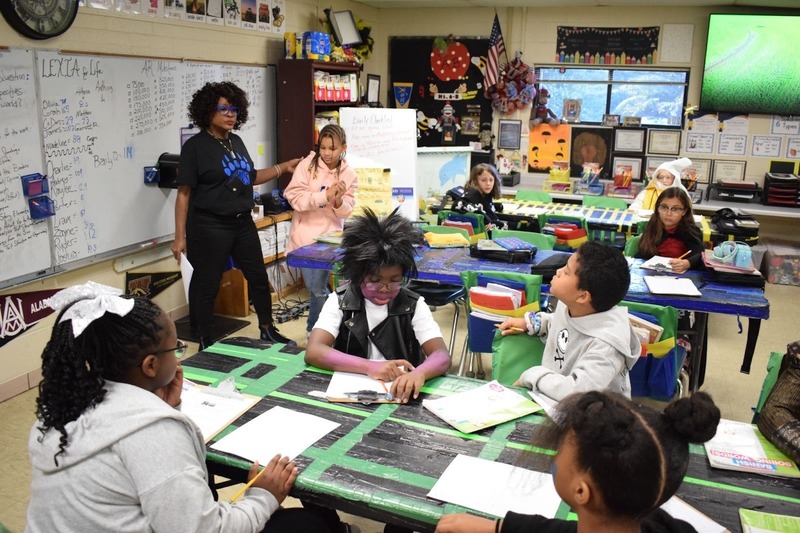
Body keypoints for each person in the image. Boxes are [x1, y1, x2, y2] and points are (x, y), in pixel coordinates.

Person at [26, 281, 330, 533]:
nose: (180, 357)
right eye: (176, 349)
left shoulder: (62, 405)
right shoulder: (153, 432)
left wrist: (166, 409)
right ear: (150, 365)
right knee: (307, 525)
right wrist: (263, 496)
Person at [304, 207, 451, 533]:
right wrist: (370, 367)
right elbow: (314, 351)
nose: (385, 289)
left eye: (394, 281)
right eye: (375, 281)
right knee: (307, 463)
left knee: (409, 480)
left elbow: (441, 356)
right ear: (358, 275)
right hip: (346, 405)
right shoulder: (339, 301)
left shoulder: (413, 304)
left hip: (398, 411)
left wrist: (419, 373)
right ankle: (330, 525)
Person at [435, 390, 721, 533]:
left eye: (562, 449)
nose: (555, 456)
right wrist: (498, 527)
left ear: (582, 492)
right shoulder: (662, 524)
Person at [171, 81, 300, 349]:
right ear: (208, 111)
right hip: (209, 225)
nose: (231, 115)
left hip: (242, 222)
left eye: (234, 109)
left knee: (258, 278)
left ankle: (267, 329)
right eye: (223, 109)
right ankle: (205, 339)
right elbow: (183, 194)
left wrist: (282, 167)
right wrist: (179, 237)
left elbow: (250, 177)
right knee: (207, 285)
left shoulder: (236, 142)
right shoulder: (195, 147)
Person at [498, 241, 641, 402]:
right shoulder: (572, 305)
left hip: (591, 418)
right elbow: (567, 328)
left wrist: (532, 376)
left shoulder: (606, 346)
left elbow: (578, 392)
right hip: (553, 401)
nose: (558, 271)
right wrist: (536, 323)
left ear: (582, 296)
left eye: (566, 272)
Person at [284, 124, 358, 337]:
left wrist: (338, 200)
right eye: (322, 147)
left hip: (329, 241)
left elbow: (346, 212)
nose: (326, 153)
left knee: (317, 288)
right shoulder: (307, 165)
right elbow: (294, 198)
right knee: (315, 288)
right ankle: (327, 326)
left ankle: (315, 330)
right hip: (304, 237)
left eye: (332, 148)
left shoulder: (349, 174)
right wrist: (324, 197)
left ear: (343, 147)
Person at [635, 187, 704, 273]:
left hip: (680, 278)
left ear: (684, 211)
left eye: (675, 209)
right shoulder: (653, 226)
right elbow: (642, 254)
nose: (668, 213)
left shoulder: (691, 231)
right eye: (664, 207)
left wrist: (687, 263)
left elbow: (700, 255)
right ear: (657, 208)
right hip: (651, 274)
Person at [452, 163, 507, 231]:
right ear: (475, 181)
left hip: (486, 228)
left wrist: (496, 206)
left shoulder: (485, 194)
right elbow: (458, 204)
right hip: (479, 232)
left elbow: (482, 206)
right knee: (508, 226)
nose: (488, 184)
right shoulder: (472, 193)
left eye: (491, 180)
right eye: (484, 180)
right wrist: (484, 217)